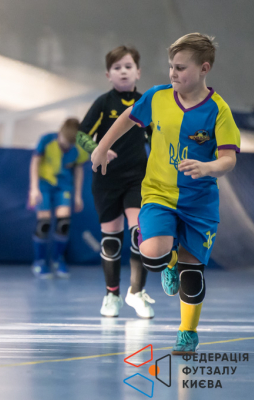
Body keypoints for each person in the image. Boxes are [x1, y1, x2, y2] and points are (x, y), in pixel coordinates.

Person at [91, 33, 240, 354]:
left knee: (192, 273)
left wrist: (208, 167)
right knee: (153, 255)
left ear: (204, 68)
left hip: (199, 204)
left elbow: (228, 158)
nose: (173, 73)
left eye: (181, 68)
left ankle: (187, 332)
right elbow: (127, 119)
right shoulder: (157, 97)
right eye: (171, 66)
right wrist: (102, 147)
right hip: (159, 194)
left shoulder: (218, 110)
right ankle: (168, 260)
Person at [76, 46, 155, 319]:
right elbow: (82, 135)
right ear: (108, 75)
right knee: (111, 240)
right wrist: (98, 149)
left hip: (138, 178)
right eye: (117, 67)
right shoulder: (103, 103)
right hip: (106, 180)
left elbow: (156, 137)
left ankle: (137, 292)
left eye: (128, 66)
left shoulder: (146, 103)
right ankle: (112, 295)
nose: (123, 71)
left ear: (138, 72)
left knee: (139, 234)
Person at [28, 118, 88, 279]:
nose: (66, 146)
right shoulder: (46, 140)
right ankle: (40, 262)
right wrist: (34, 189)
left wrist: (78, 196)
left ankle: (58, 259)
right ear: (60, 132)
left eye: (70, 144)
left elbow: (78, 170)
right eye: (65, 142)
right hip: (44, 185)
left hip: (64, 186)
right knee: (44, 223)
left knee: (64, 223)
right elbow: (35, 163)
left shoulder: (78, 149)